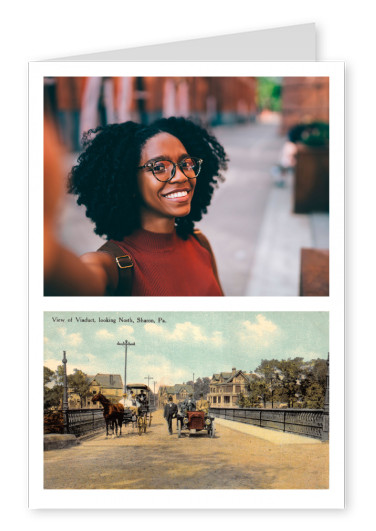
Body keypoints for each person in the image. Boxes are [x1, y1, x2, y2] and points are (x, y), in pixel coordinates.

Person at [46, 116, 227, 296]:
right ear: (129, 181)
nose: (181, 176)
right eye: (159, 167)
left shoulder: (200, 243)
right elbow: (72, 280)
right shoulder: (111, 266)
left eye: (186, 163)